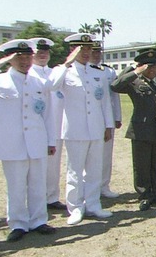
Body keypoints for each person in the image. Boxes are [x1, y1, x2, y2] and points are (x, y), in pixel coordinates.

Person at [0, 39, 58, 242]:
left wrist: (50, 141)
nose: (24, 61)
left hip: (36, 139)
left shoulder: (38, 82)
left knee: (37, 183)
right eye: (19, 57)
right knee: (15, 185)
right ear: (9, 59)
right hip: (11, 143)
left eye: (27, 57)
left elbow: (47, 114)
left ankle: (38, 220)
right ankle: (18, 223)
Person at [48, 33, 115, 225]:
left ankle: (93, 204)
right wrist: (67, 63)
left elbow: (104, 103)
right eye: (81, 49)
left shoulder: (97, 73)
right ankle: (75, 207)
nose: (86, 53)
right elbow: (52, 86)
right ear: (72, 50)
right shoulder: (62, 71)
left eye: (88, 49)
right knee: (74, 171)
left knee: (94, 170)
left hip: (96, 128)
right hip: (74, 130)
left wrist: (108, 125)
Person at [111, 48, 156, 211]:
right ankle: (145, 195)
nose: (152, 70)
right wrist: (134, 70)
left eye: (154, 67)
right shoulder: (134, 82)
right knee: (142, 165)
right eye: (149, 67)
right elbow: (115, 85)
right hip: (141, 129)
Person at [30, 37, 68, 211]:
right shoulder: (29, 73)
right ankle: (35, 200)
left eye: (45, 52)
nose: (43, 55)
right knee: (35, 168)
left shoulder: (54, 71)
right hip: (35, 127)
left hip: (56, 124)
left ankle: (51, 197)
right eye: (39, 52)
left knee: (53, 166)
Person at [91, 40, 122, 199]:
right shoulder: (82, 72)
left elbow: (114, 96)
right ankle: (89, 189)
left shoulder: (109, 72)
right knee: (89, 157)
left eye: (98, 52)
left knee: (106, 155)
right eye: (93, 52)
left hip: (107, 118)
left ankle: (104, 186)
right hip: (90, 119)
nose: (96, 55)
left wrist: (117, 117)